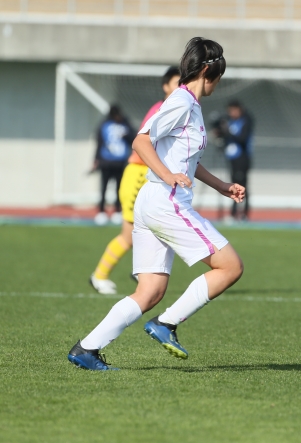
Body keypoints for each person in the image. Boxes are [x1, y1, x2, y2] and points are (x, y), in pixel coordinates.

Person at [68, 37, 246, 370]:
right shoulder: (182, 101)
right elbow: (141, 141)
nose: (219, 82)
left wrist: (221, 186)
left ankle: (86, 350)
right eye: (219, 74)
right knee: (231, 266)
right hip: (166, 201)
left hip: (152, 202)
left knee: (150, 291)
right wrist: (167, 175)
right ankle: (166, 324)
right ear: (209, 70)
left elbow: (187, 161)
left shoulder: (188, 103)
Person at [89, 67, 181, 295]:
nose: (183, 88)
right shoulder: (162, 109)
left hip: (149, 175)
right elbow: (144, 143)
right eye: (178, 83)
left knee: (158, 226)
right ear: (166, 86)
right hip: (139, 174)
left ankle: (142, 270)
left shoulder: (173, 109)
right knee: (128, 234)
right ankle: (99, 276)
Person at [93, 105, 136, 225]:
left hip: (120, 162)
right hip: (106, 162)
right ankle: (101, 211)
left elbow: (134, 138)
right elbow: (99, 143)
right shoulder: (104, 125)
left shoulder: (125, 124)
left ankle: (118, 210)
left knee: (120, 188)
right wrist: (96, 159)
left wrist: (126, 135)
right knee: (103, 187)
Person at [214, 100, 253, 221]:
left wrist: (228, 132)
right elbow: (224, 136)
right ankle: (234, 212)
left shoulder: (246, 120)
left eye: (233, 110)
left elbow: (242, 138)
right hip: (231, 158)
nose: (231, 113)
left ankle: (244, 213)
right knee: (233, 184)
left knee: (243, 184)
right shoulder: (228, 120)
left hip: (242, 158)